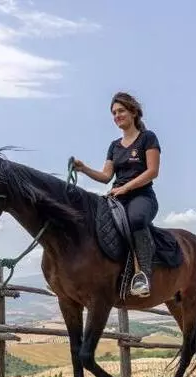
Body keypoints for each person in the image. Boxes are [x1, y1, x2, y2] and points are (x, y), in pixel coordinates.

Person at [72, 92, 161, 297]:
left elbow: (152, 171)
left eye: (121, 111)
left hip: (142, 196)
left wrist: (126, 187)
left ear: (133, 112)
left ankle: (143, 275)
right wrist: (84, 168)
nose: (117, 115)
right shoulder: (114, 146)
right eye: (114, 113)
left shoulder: (148, 138)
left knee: (136, 219)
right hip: (117, 196)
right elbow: (105, 176)